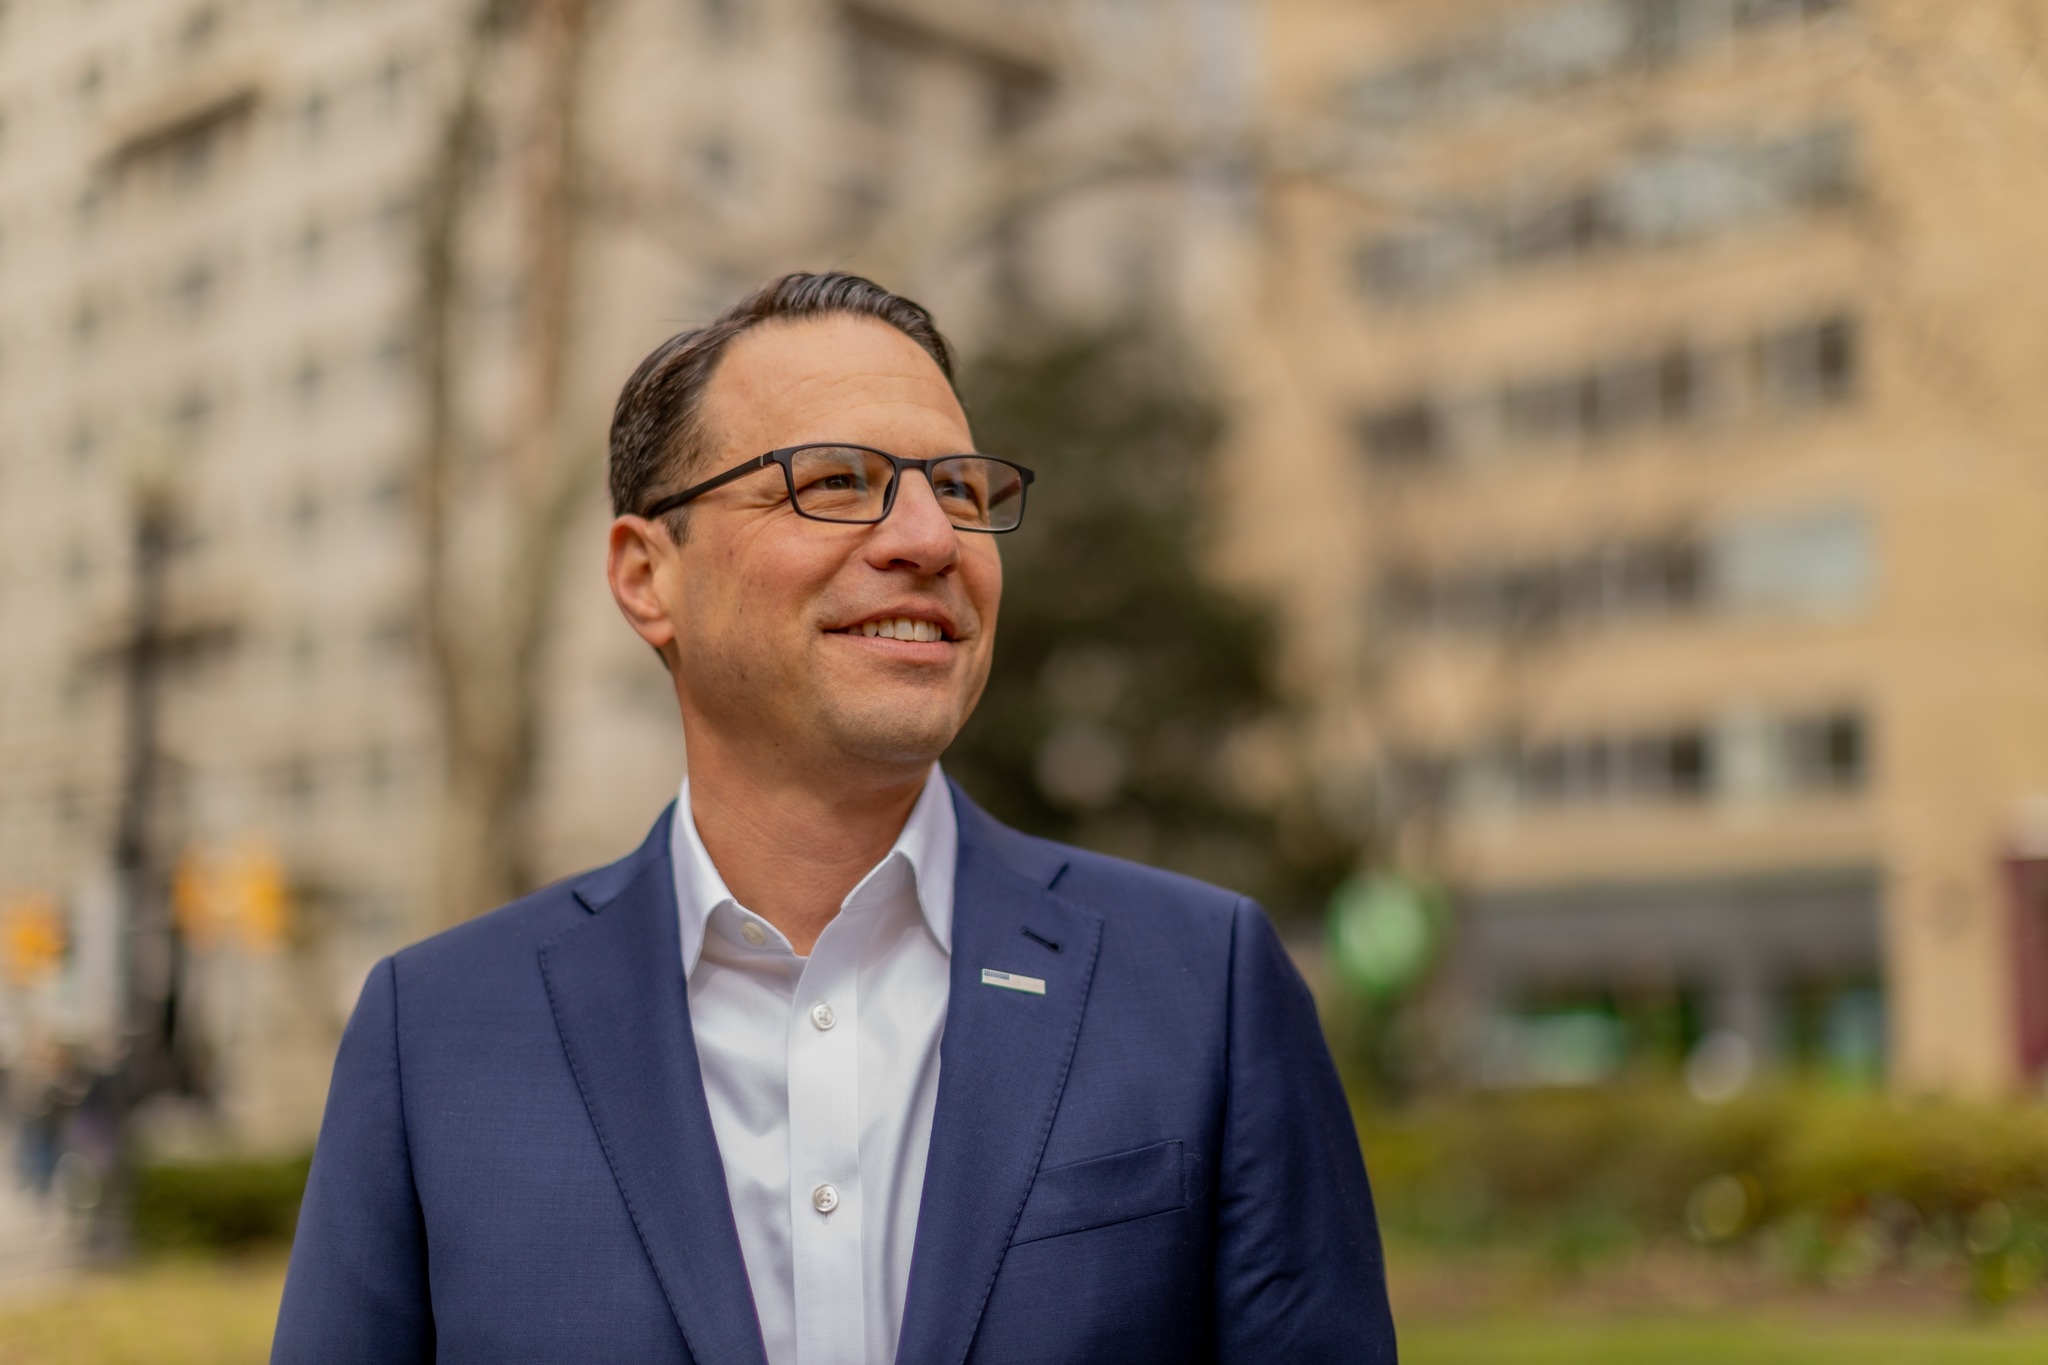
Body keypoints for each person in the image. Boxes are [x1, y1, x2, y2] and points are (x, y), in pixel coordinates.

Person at [271, 272, 1396, 1364]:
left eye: (958, 489)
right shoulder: (436, 1031)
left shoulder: (1205, 987)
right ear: (646, 576)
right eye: (837, 481)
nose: (930, 538)